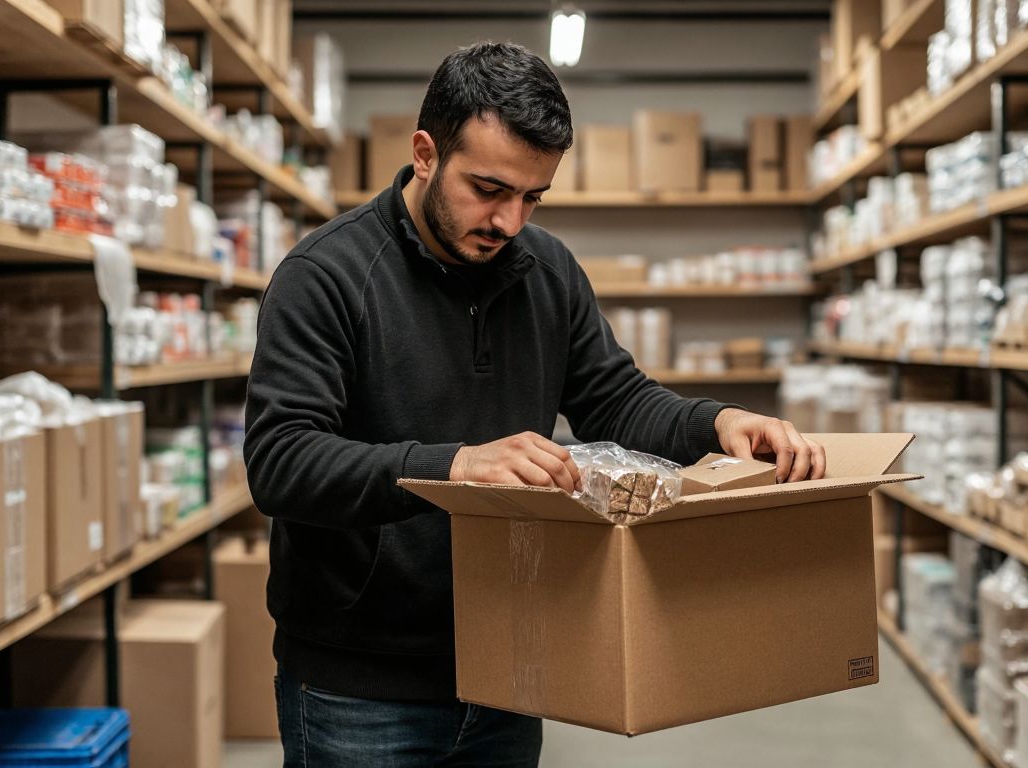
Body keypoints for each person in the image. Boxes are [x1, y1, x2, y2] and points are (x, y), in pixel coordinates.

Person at [243, 40, 827, 768]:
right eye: (487, 190)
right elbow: (281, 462)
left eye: (532, 197)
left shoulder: (546, 271)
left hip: (511, 661)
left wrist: (717, 422)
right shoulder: (326, 276)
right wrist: (453, 467)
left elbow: (614, 400)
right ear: (425, 153)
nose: (510, 221)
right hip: (359, 685)